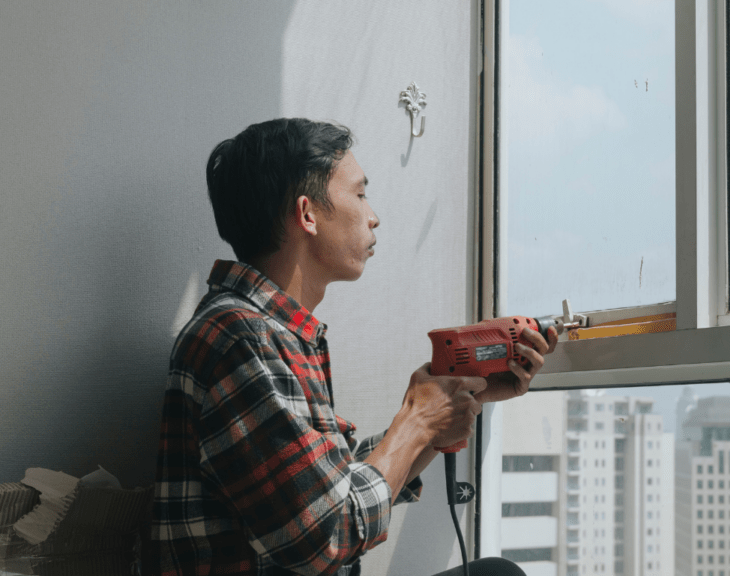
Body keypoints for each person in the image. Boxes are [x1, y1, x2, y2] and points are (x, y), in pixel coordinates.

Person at [146, 118, 557, 576]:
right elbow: (325, 535)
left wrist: (461, 399)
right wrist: (415, 422)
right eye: (360, 194)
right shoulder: (238, 336)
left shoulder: (273, 331)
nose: (373, 214)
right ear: (308, 214)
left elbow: (331, 493)